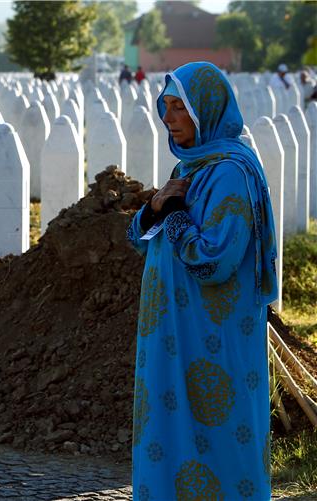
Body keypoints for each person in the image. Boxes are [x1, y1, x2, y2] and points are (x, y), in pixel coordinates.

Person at [127, 61, 277, 500]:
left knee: (217, 434)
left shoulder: (229, 171)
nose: (168, 119)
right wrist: (156, 208)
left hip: (211, 334)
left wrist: (172, 216)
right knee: (172, 430)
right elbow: (140, 237)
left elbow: (216, 261)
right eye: (166, 107)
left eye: (179, 108)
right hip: (174, 330)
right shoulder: (191, 167)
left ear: (206, 111)